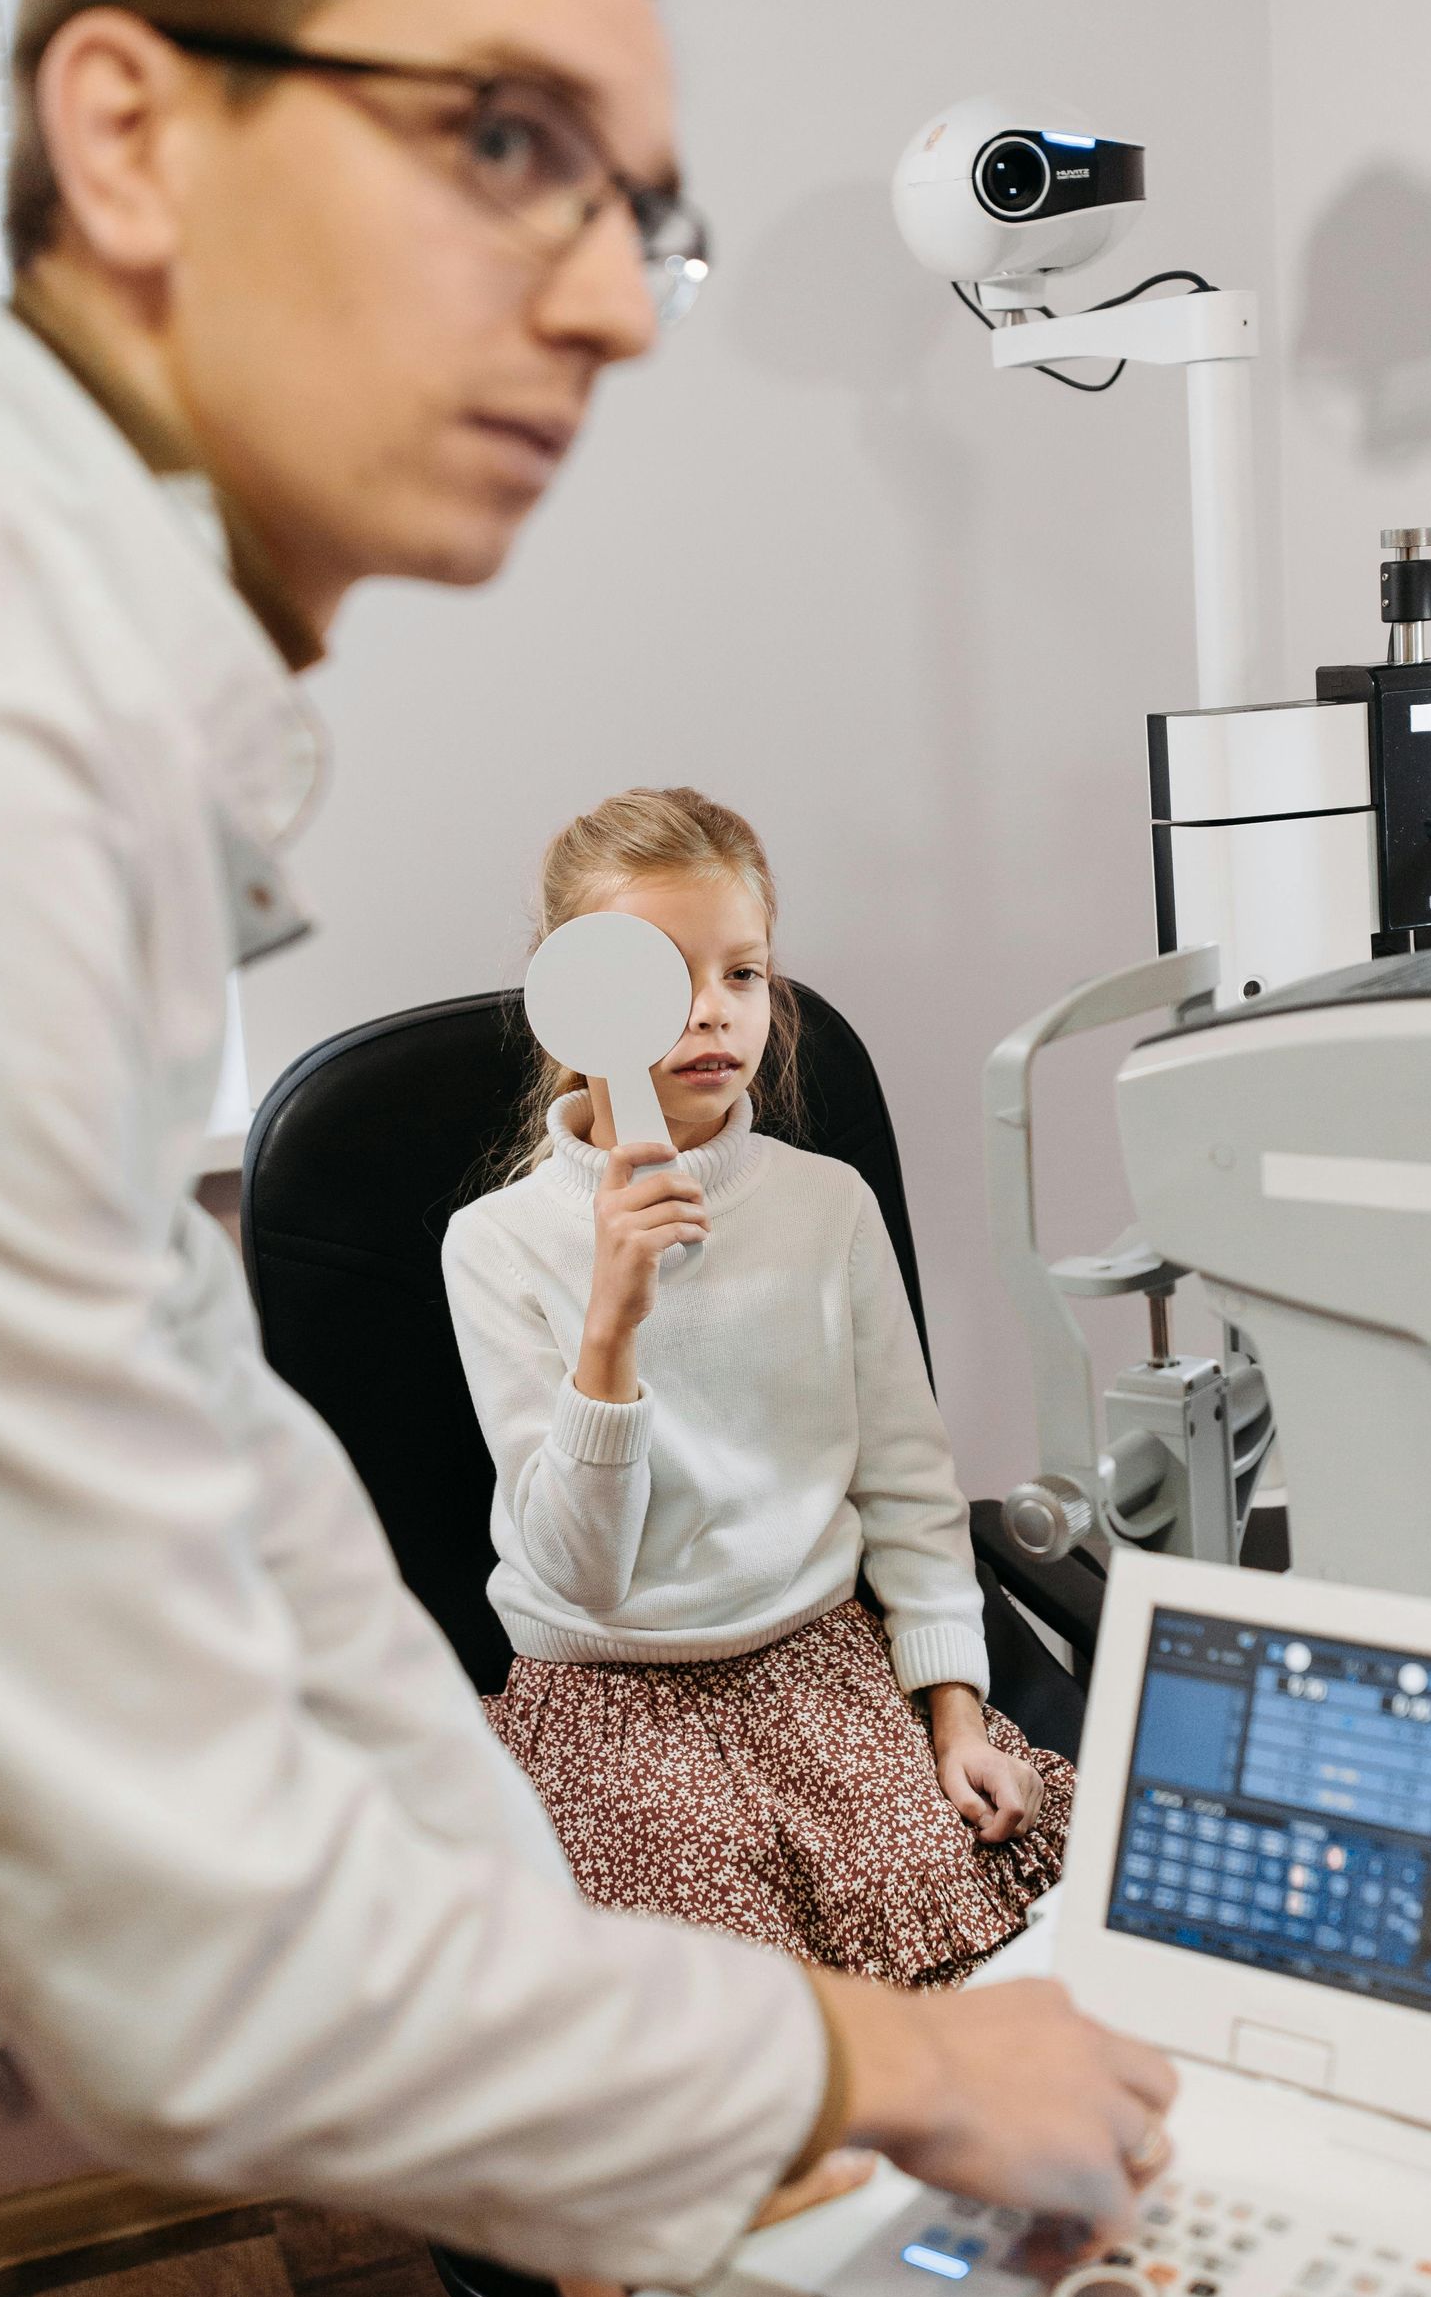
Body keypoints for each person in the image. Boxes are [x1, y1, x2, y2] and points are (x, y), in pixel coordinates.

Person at [0, 0, 1174, 2297]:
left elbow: (278, 1553)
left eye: (638, 206)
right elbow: (197, 1975)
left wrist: (589, 1922)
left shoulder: (101, 743)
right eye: (498, 150)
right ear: (132, 131)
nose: (604, 298)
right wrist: (894, 2057)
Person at [446, 788, 1075, 1986]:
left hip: (817, 1660)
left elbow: (907, 1483)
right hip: (612, 1691)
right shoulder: (496, 1243)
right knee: (728, 2017)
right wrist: (611, 1324)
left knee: (960, 1950)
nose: (710, 1011)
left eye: (742, 973)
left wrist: (950, 1708)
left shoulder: (825, 1204)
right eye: (665, 975)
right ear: (570, 1002)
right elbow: (579, 1570)